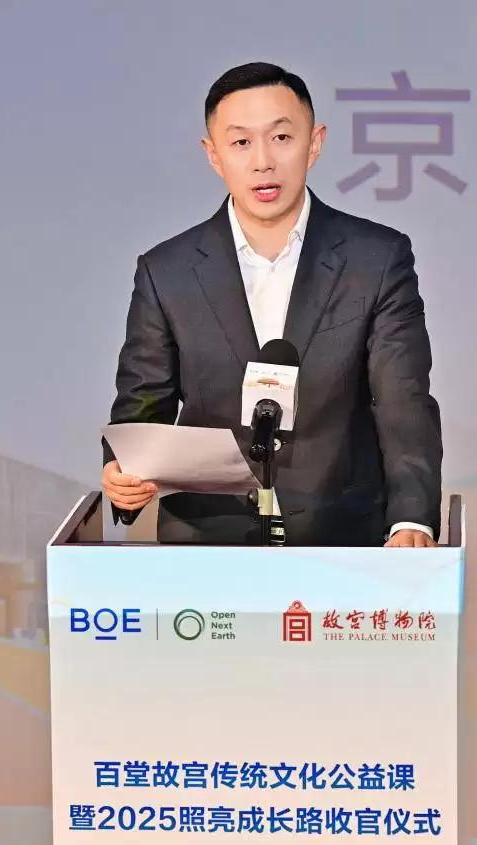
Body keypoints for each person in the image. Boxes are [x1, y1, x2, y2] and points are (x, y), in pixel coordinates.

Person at [101, 62, 442, 547]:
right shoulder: (167, 271)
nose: (263, 161)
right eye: (241, 142)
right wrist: (122, 472)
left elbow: (402, 399)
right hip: (207, 542)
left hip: (341, 536)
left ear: (314, 143)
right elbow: (142, 405)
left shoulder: (377, 258)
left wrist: (411, 519)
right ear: (213, 155)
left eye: (281, 138)